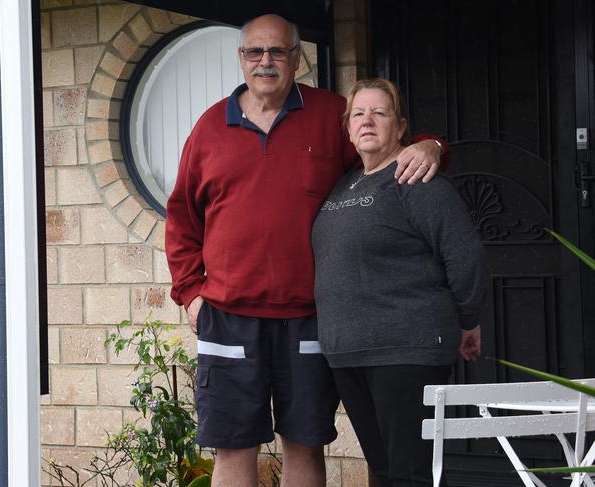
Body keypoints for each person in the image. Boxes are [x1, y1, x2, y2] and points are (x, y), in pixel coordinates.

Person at [165, 15, 446, 487]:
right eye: (255, 53)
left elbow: (383, 145)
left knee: (305, 444)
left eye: (277, 52)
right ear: (241, 59)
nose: (266, 62)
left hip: (313, 317)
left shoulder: (330, 115)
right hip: (229, 315)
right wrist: (190, 292)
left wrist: (433, 147)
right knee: (233, 448)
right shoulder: (210, 127)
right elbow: (181, 218)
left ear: (297, 58)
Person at [311, 78, 488, 487]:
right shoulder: (345, 182)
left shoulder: (415, 178)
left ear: (401, 126)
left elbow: (464, 253)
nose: (368, 120)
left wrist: (468, 317)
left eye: (380, 112)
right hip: (348, 352)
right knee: (386, 470)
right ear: (348, 128)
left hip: (406, 348)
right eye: (358, 113)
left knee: (408, 473)